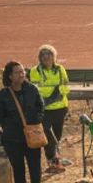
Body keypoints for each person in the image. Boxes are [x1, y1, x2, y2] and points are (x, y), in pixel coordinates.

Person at [0, 60, 46, 183]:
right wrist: (8, 128)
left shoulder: (32, 89)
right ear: (10, 76)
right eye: (17, 72)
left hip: (32, 136)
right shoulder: (3, 95)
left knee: (35, 167)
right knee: (18, 169)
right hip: (12, 139)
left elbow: (41, 107)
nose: (22, 74)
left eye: (22, 71)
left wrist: (34, 123)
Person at [29, 45, 71, 173]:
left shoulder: (60, 69)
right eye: (43, 56)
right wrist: (48, 97)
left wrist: (59, 93)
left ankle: (56, 158)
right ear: (40, 58)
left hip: (60, 107)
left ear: (54, 57)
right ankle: (52, 158)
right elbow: (35, 89)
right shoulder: (35, 71)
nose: (46, 58)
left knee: (57, 134)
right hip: (44, 108)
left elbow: (65, 85)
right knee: (46, 132)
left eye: (49, 55)